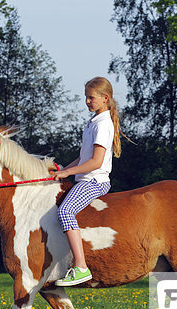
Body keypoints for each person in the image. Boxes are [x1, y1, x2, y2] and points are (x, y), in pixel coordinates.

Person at [51, 77, 124, 286]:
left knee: (65, 211)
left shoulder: (103, 125)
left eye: (91, 98)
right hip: (84, 178)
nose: (87, 102)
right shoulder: (93, 121)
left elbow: (95, 162)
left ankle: (81, 267)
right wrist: (64, 170)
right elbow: (83, 158)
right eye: (86, 97)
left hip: (94, 181)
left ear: (105, 98)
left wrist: (69, 173)